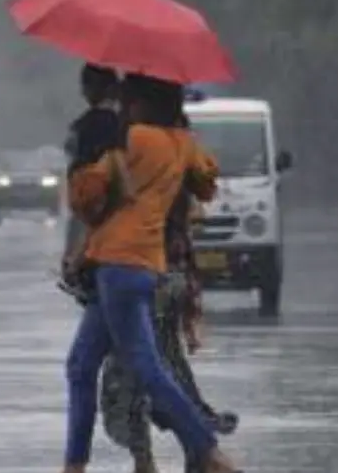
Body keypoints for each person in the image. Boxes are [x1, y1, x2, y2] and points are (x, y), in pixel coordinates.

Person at [62, 73, 242, 473]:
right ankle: (73, 465)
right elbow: (207, 183)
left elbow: (87, 195)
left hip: (117, 265)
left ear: (141, 102)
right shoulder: (181, 143)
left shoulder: (131, 139)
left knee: (147, 366)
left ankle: (208, 451)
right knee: (81, 365)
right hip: (142, 265)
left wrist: (83, 159)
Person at [100, 166, 239, 473]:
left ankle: (197, 455)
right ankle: (189, 454)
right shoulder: (171, 178)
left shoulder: (138, 185)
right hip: (159, 285)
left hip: (146, 283)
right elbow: (186, 247)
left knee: (139, 377)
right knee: (161, 372)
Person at [62, 63, 133, 284]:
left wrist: (71, 254)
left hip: (97, 229)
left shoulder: (87, 127)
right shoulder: (130, 125)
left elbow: (84, 200)